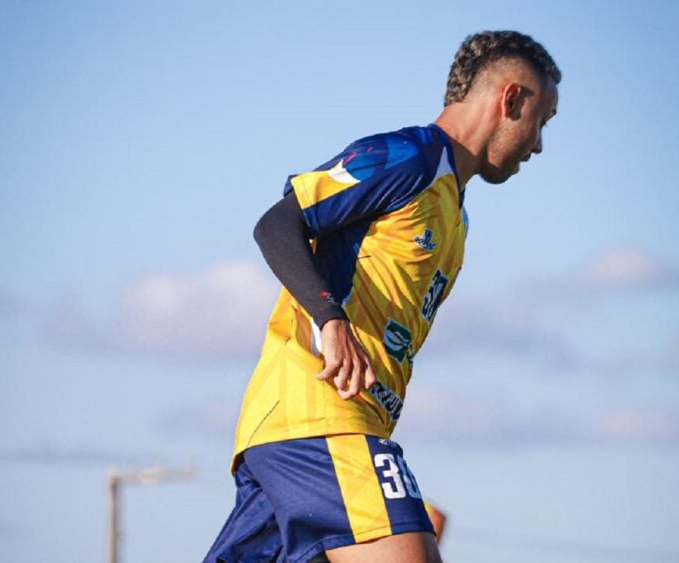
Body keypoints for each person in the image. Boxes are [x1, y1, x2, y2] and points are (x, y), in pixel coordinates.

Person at [204, 30, 560, 563]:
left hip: (303, 438)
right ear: (510, 99)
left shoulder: (455, 214)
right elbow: (278, 225)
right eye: (542, 122)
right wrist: (330, 318)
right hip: (318, 421)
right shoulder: (409, 157)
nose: (538, 145)